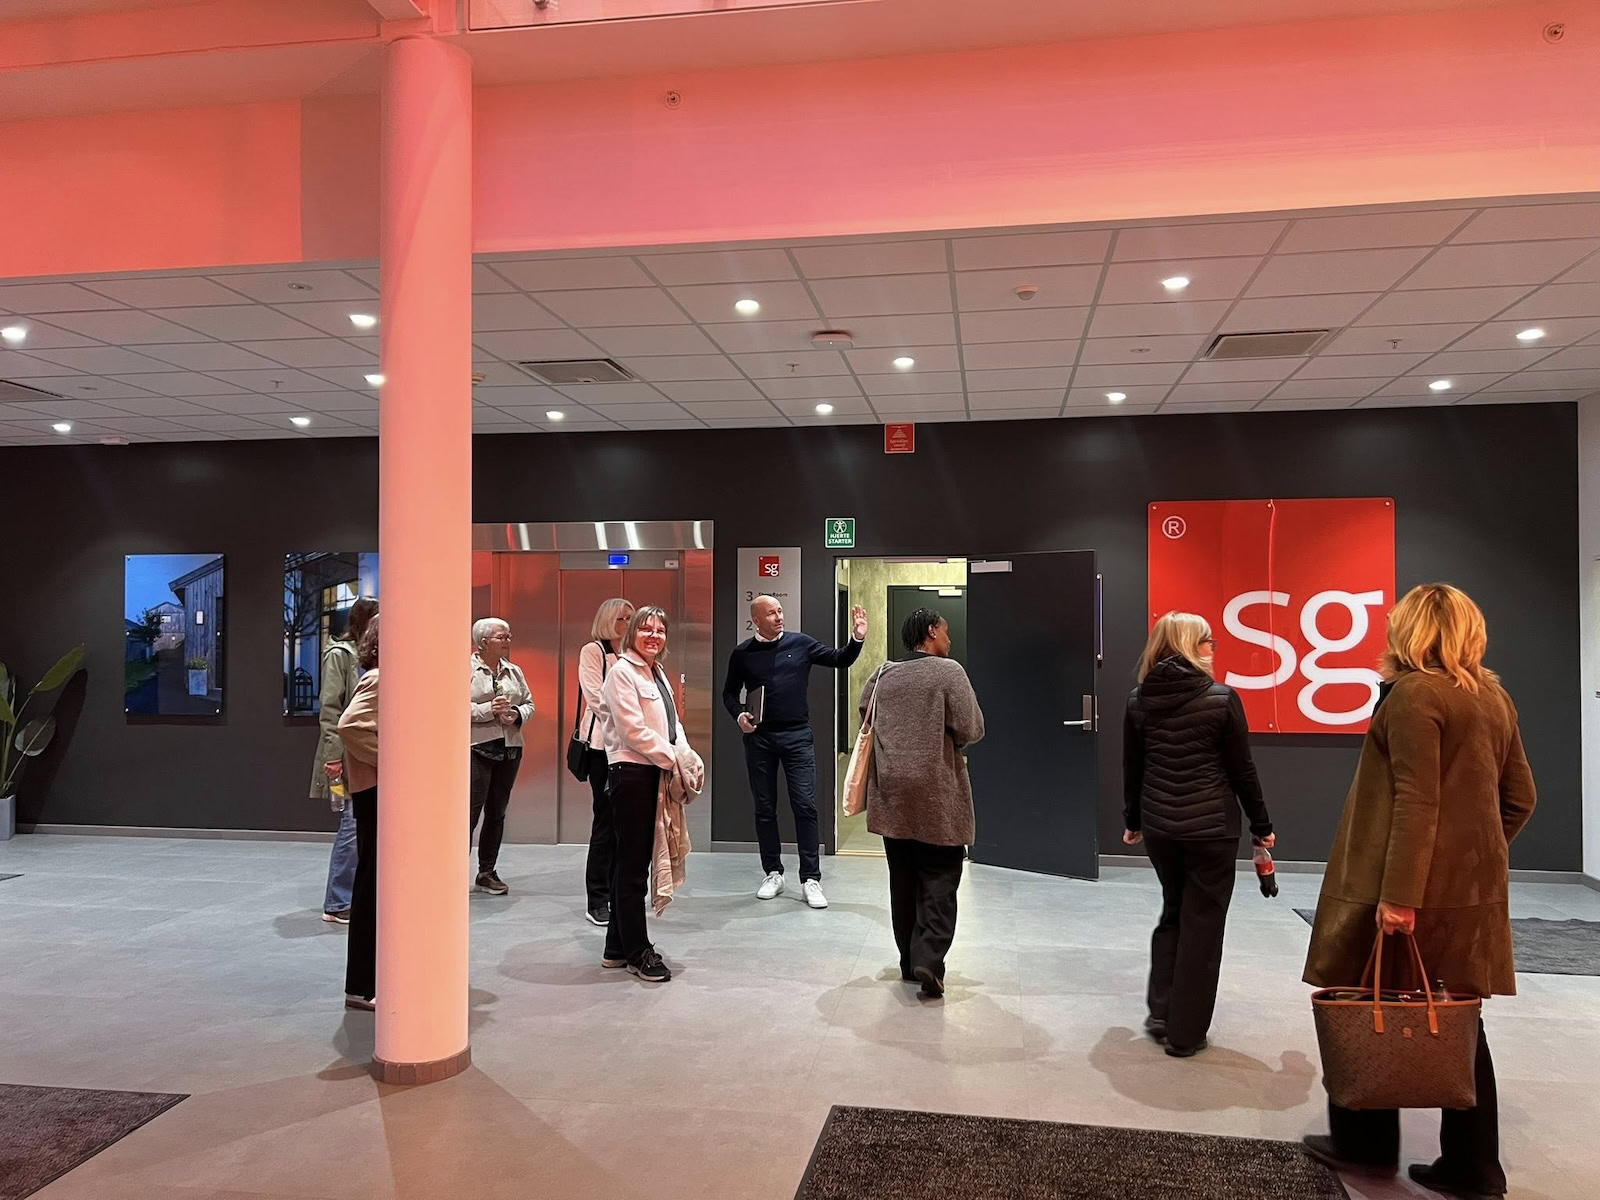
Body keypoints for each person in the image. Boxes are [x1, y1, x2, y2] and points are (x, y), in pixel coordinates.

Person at [1301, 584, 1536, 1200]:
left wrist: (1402, 894)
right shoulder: (1491, 696)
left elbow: (1416, 801)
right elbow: (1520, 799)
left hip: (1397, 885)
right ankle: (1474, 1166)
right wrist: (1470, 859)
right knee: (1458, 1020)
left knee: (1369, 998)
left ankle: (1366, 1145)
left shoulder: (1413, 695)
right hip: (1468, 894)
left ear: (1408, 631)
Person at [1122, 611, 1273, 1059]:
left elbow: (1133, 767)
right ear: (1192, 646)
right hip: (1211, 828)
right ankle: (1185, 1033)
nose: (1212, 649)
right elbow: (1242, 770)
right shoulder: (1221, 699)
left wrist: (1133, 820)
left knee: (1174, 910)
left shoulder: (1138, 700)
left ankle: (1162, 1012)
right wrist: (1261, 825)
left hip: (1161, 828)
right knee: (1203, 926)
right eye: (1208, 641)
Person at [858, 608, 984, 999]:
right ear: (931, 632)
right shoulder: (949, 672)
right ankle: (929, 958)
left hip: (892, 793)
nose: (949, 639)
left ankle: (908, 962)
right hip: (937, 791)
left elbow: (866, 716)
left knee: (903, 880)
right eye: (945, 632)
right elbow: (971, 727)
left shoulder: (882, 674)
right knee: (941, 876)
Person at [721, 594, 868, 909]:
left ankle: (810, 878)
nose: (778, 617)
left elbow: (840, 658)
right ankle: (773, 873)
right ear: (756, 620)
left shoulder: (800, 643)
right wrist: (739, 715)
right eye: (771, 613)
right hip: (759, 739)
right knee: (765, 807)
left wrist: (857, 638)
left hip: (797, 736)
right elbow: (729, 693)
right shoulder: (743, 653)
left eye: (780, 611)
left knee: (805, 806)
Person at [601, 605, 695, 983]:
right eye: (646, 629)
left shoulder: (657, 673)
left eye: (660, 630)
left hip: (654, 772)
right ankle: (638, 952)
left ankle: (616, 947)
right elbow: (632, 731)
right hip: (632, 775)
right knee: (633, 867)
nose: (654, 636)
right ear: (632, 634)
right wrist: (674, 759)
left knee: (632, 863)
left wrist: (683, 753)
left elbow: (673, 724)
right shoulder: (621, 673)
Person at [313, 597, 377, 924]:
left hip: (361, 757)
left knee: (356, 825)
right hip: (344, 757)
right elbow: (332, 711)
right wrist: (332, 757)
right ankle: (338, 902)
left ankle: (351, 897)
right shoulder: (340, 654)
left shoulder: (368, 656)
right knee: (350, 825)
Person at [468, 617, 535, 896]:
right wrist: (489, 710)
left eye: (509, 636)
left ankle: (487, 871)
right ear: (483, 642)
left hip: (510, 747)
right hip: (477, 748)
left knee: (497, 813)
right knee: (469, 813)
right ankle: (453, 872)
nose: (507, 641)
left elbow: (529, 703)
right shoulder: (465, 669)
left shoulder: (514, 671)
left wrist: (517, 714)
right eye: (501, 636)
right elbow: (452, 706)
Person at [576, 598, 632, 927]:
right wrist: (629, 719)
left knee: (625, 825)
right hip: (602, 746)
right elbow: (595, 696)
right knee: (605, 822)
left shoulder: (633, 653)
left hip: (632, 747)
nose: (627, 624)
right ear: (608, 620)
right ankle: (597, 898)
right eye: (622, 618)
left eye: (630, 618)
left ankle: (618, 892)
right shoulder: (594, 651)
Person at [335, 615, 380, 1011]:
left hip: (380, 792)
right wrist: (395, 762)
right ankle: (362, 986)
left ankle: (370, 981)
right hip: (377, 793)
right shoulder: (380, 679)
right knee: (371, 884)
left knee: (377, 884)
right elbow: (350, 726)